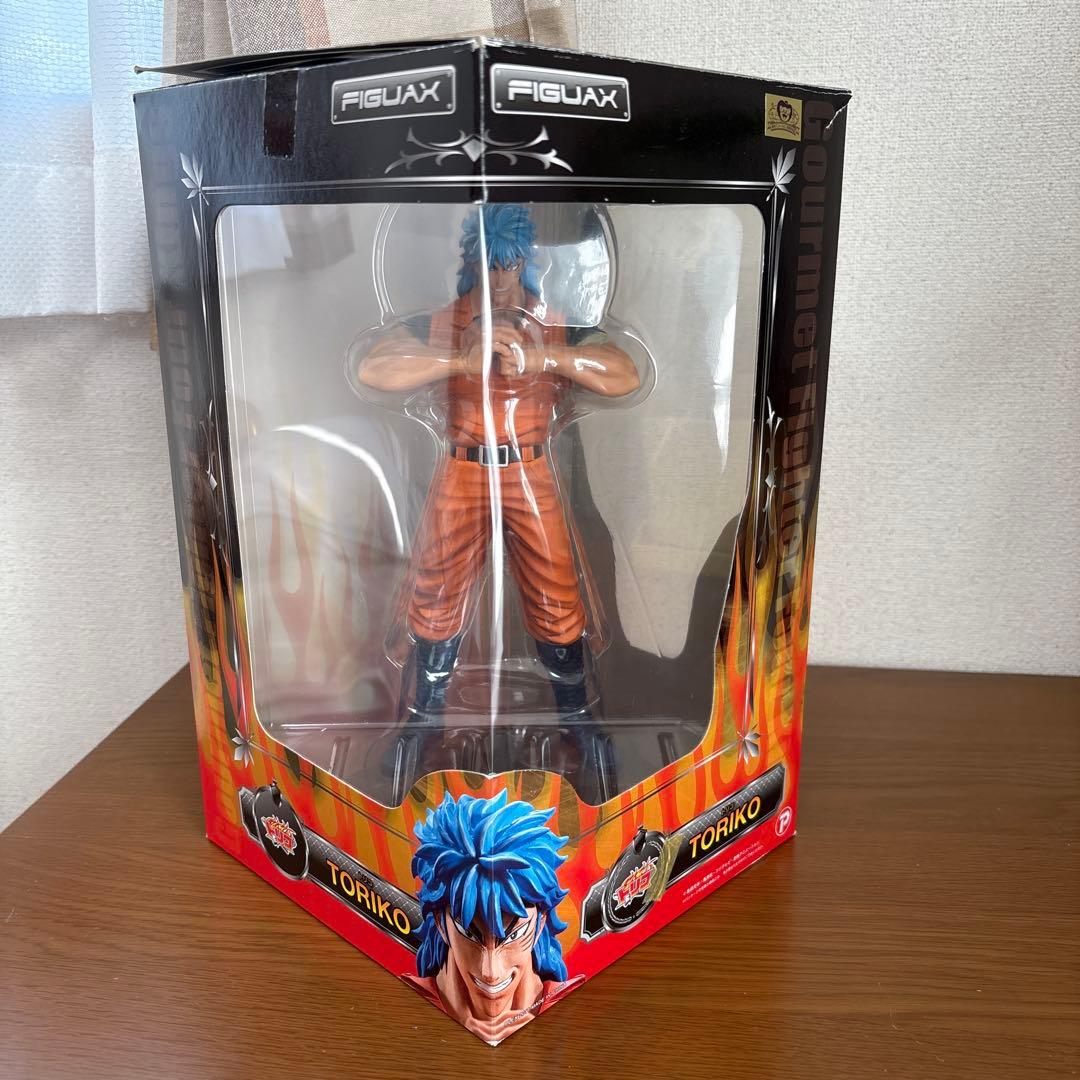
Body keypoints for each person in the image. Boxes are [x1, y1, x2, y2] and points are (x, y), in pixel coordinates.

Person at [356, 203, 640, 804]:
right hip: (463, 467)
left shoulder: (554, 322)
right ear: (471, 263)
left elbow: (625, 373)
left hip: (529, 467)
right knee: (436, 592)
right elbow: (374, 368)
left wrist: (546, 355)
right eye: (490, 264)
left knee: (556, 592)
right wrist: (459, 358)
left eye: (510, 264)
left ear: (526, 263)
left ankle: (578, 722)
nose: (500, 277)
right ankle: (422, 723)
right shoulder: (444, 321)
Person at [403, 790, 582, 1043]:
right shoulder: (411, 999)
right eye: (468, 934)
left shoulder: (568, 1003)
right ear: (441, 925)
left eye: (515, 935)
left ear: (541, 921)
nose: (491, 972)